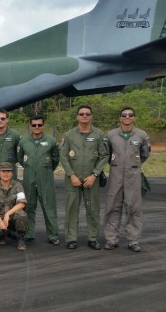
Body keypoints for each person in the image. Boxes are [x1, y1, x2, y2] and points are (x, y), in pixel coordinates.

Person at [60, 104, 109, 250]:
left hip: (91, 179)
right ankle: (71, 238)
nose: (84, 116)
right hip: (72, 180)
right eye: (81, 114)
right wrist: (71, 175)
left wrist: (95, 174)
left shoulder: (99, 135)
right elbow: (63, 156)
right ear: (77, 117)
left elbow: (104, 155)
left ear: (91, 116)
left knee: (93, 210)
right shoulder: (69, 135)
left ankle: (92, 238)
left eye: (87, 114)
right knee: (71, 209)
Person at [103, 107, 151, 252]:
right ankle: (111, 239)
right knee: (112, 207)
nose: (127, 117)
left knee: (133, 208)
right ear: (120, 118)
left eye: (130, 115)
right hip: (115, 174)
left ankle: (133, 241)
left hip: (133, 175)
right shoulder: (111, 135)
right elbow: (107, 154)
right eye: (124, 115)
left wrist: (133, 165)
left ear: (134, 118)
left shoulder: (141, 135)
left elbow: (145, 154)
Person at [17, 115, 60, 245]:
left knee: (49, 207)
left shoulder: (51, 141)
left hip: (45, 179)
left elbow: (55, 159)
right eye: (34, 125)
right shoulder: (23, 142)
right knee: (29, 206)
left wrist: (45, 170)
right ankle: (29, 234)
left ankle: (53, 235)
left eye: (39, 125)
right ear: (30, 126)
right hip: (29, 178)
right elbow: (20, 159)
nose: (37, 127)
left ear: (43, 126)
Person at [0, 162, 28, 250]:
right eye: (3, 171)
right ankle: (3, 234)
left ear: (12, 173)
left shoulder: (18, 186)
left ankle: (21, 238)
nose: (6, 174)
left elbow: (22, 203)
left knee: (22, 215)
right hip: (0, 217)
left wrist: (8, 214)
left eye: (8, 171)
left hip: (13, 216)